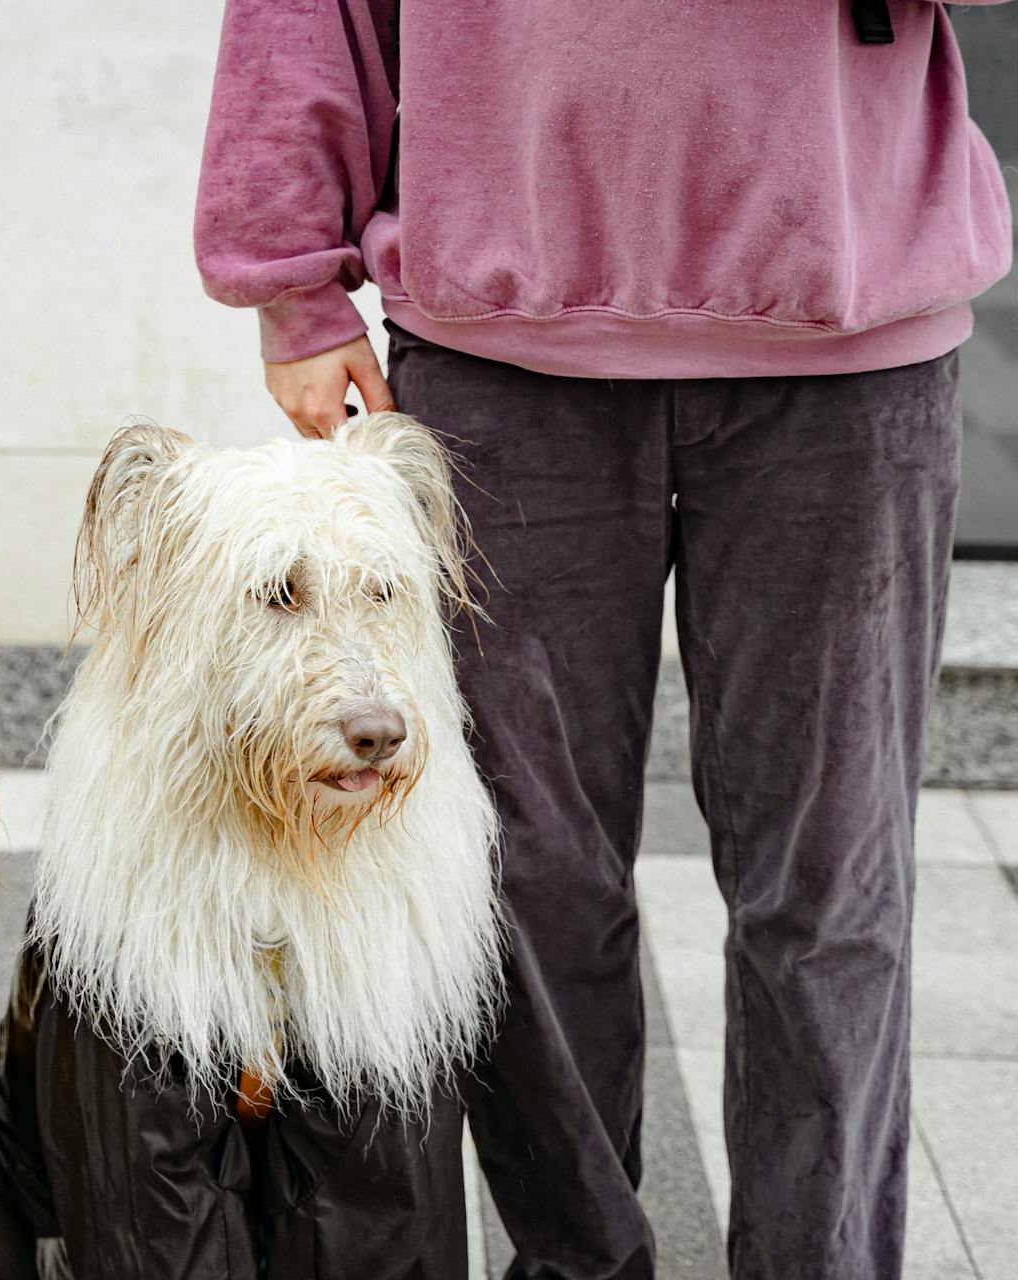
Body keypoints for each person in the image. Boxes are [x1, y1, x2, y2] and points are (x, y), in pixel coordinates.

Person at [195, 3, 1010, 1278]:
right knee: (528, 876)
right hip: (503, 347)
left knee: (831, 879)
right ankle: (577, 1260)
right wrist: (293, 277)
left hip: (850, 344)